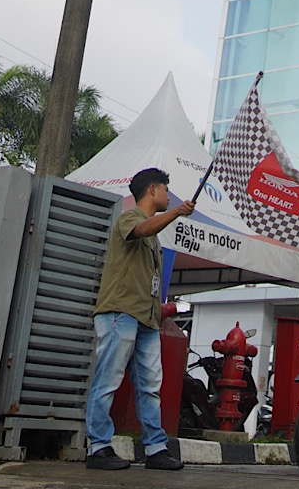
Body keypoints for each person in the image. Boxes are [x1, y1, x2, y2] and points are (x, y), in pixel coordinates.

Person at [85, 168, 194, 471]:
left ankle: (156, 448)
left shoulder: (153, 235)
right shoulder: (129, 218)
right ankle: (98, 447)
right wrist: (176, 213)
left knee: (150, 385)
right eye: (166, 190)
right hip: (120, 312)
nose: (169, 196)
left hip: (146, 319)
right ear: (153, 189)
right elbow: (142, 229)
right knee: (108, 380)